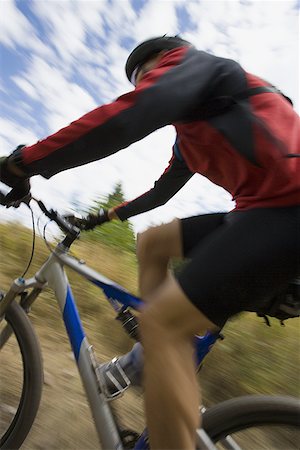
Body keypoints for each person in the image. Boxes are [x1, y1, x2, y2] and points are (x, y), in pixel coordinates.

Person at [1, 35, 299, 449]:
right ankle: (155, 353)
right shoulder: (191, 132)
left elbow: (127, 116)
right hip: (259, 212)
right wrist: (100, 217)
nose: (145, 81)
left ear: (168, 56)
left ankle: (160, 339)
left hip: (288, 207)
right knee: (152, 244)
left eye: (146, 73)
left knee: (165, 322)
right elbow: (161, 193)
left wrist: (22, 163)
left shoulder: (203, 67)